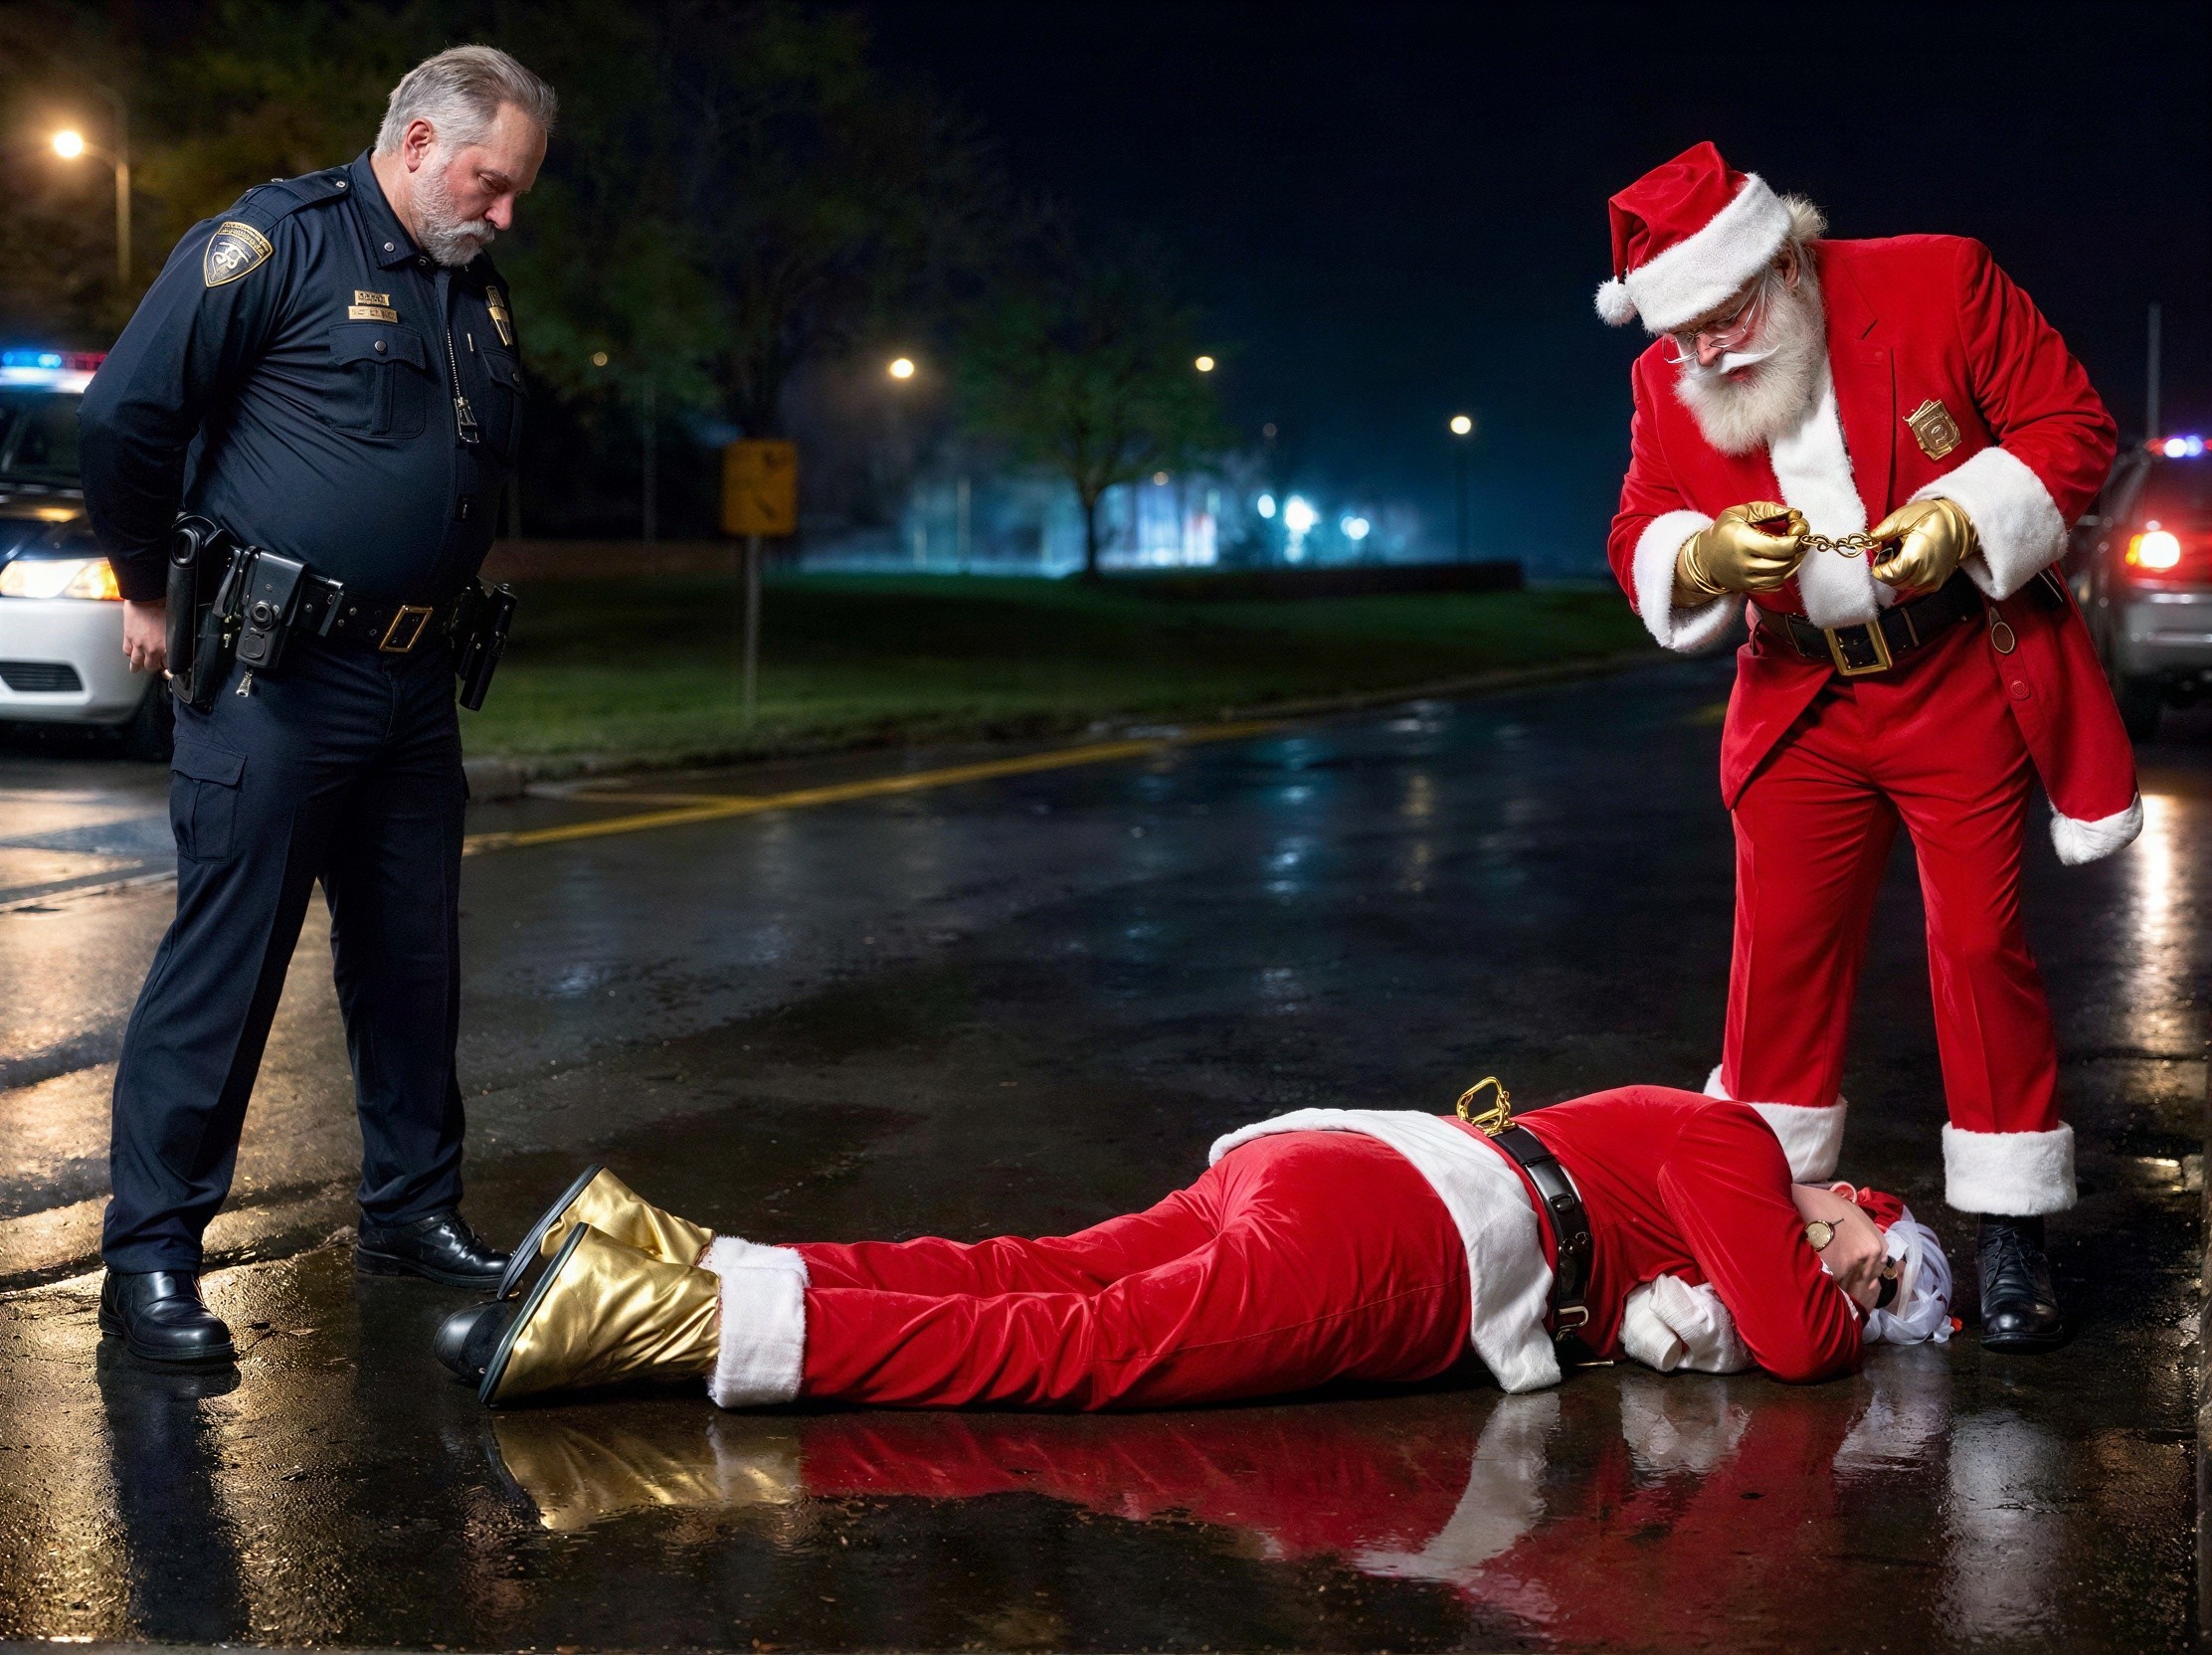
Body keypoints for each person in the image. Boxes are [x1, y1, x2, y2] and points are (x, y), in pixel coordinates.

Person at [1593, 142, 2138, 1353]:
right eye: (1679, 334)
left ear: (1780, 256)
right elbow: (1639, 521)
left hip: (1955, 672)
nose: (1707, 353)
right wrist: (1698, 557)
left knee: (1977, 945)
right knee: (1776, 966)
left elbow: (2071, 426)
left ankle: (2009, 1229)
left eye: (1724, 315)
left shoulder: (1940, 280)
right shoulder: (1662, 376)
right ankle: (1764, 1218)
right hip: (1798, 700)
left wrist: (1960, 517)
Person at [78, 46, 557, 1365]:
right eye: (490, 181)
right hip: (275, 681)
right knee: (226, 971)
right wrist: (151, 588)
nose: (505, 211)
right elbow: (127, 416)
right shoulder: (273, 243)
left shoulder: (476, 291)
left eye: (517, 191)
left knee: (411, 967)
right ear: (412, 141)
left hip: (413, 685)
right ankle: (152, 1260)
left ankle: (411, 1211)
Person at [431, 1082, 1951, 1408]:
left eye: (1881, 1294)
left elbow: (1688, 1311)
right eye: (1879, 1259)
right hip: (1411, 1242)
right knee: (1078, 1349)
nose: (1855, 1285)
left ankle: (657, 1251)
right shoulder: (1741, 1146)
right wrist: (1829, 1308)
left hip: (1342, 1172)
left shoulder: (1696, 1174)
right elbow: (1801, 1349)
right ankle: (659, 1327)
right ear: (1864, 1199)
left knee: (1038, 1271)